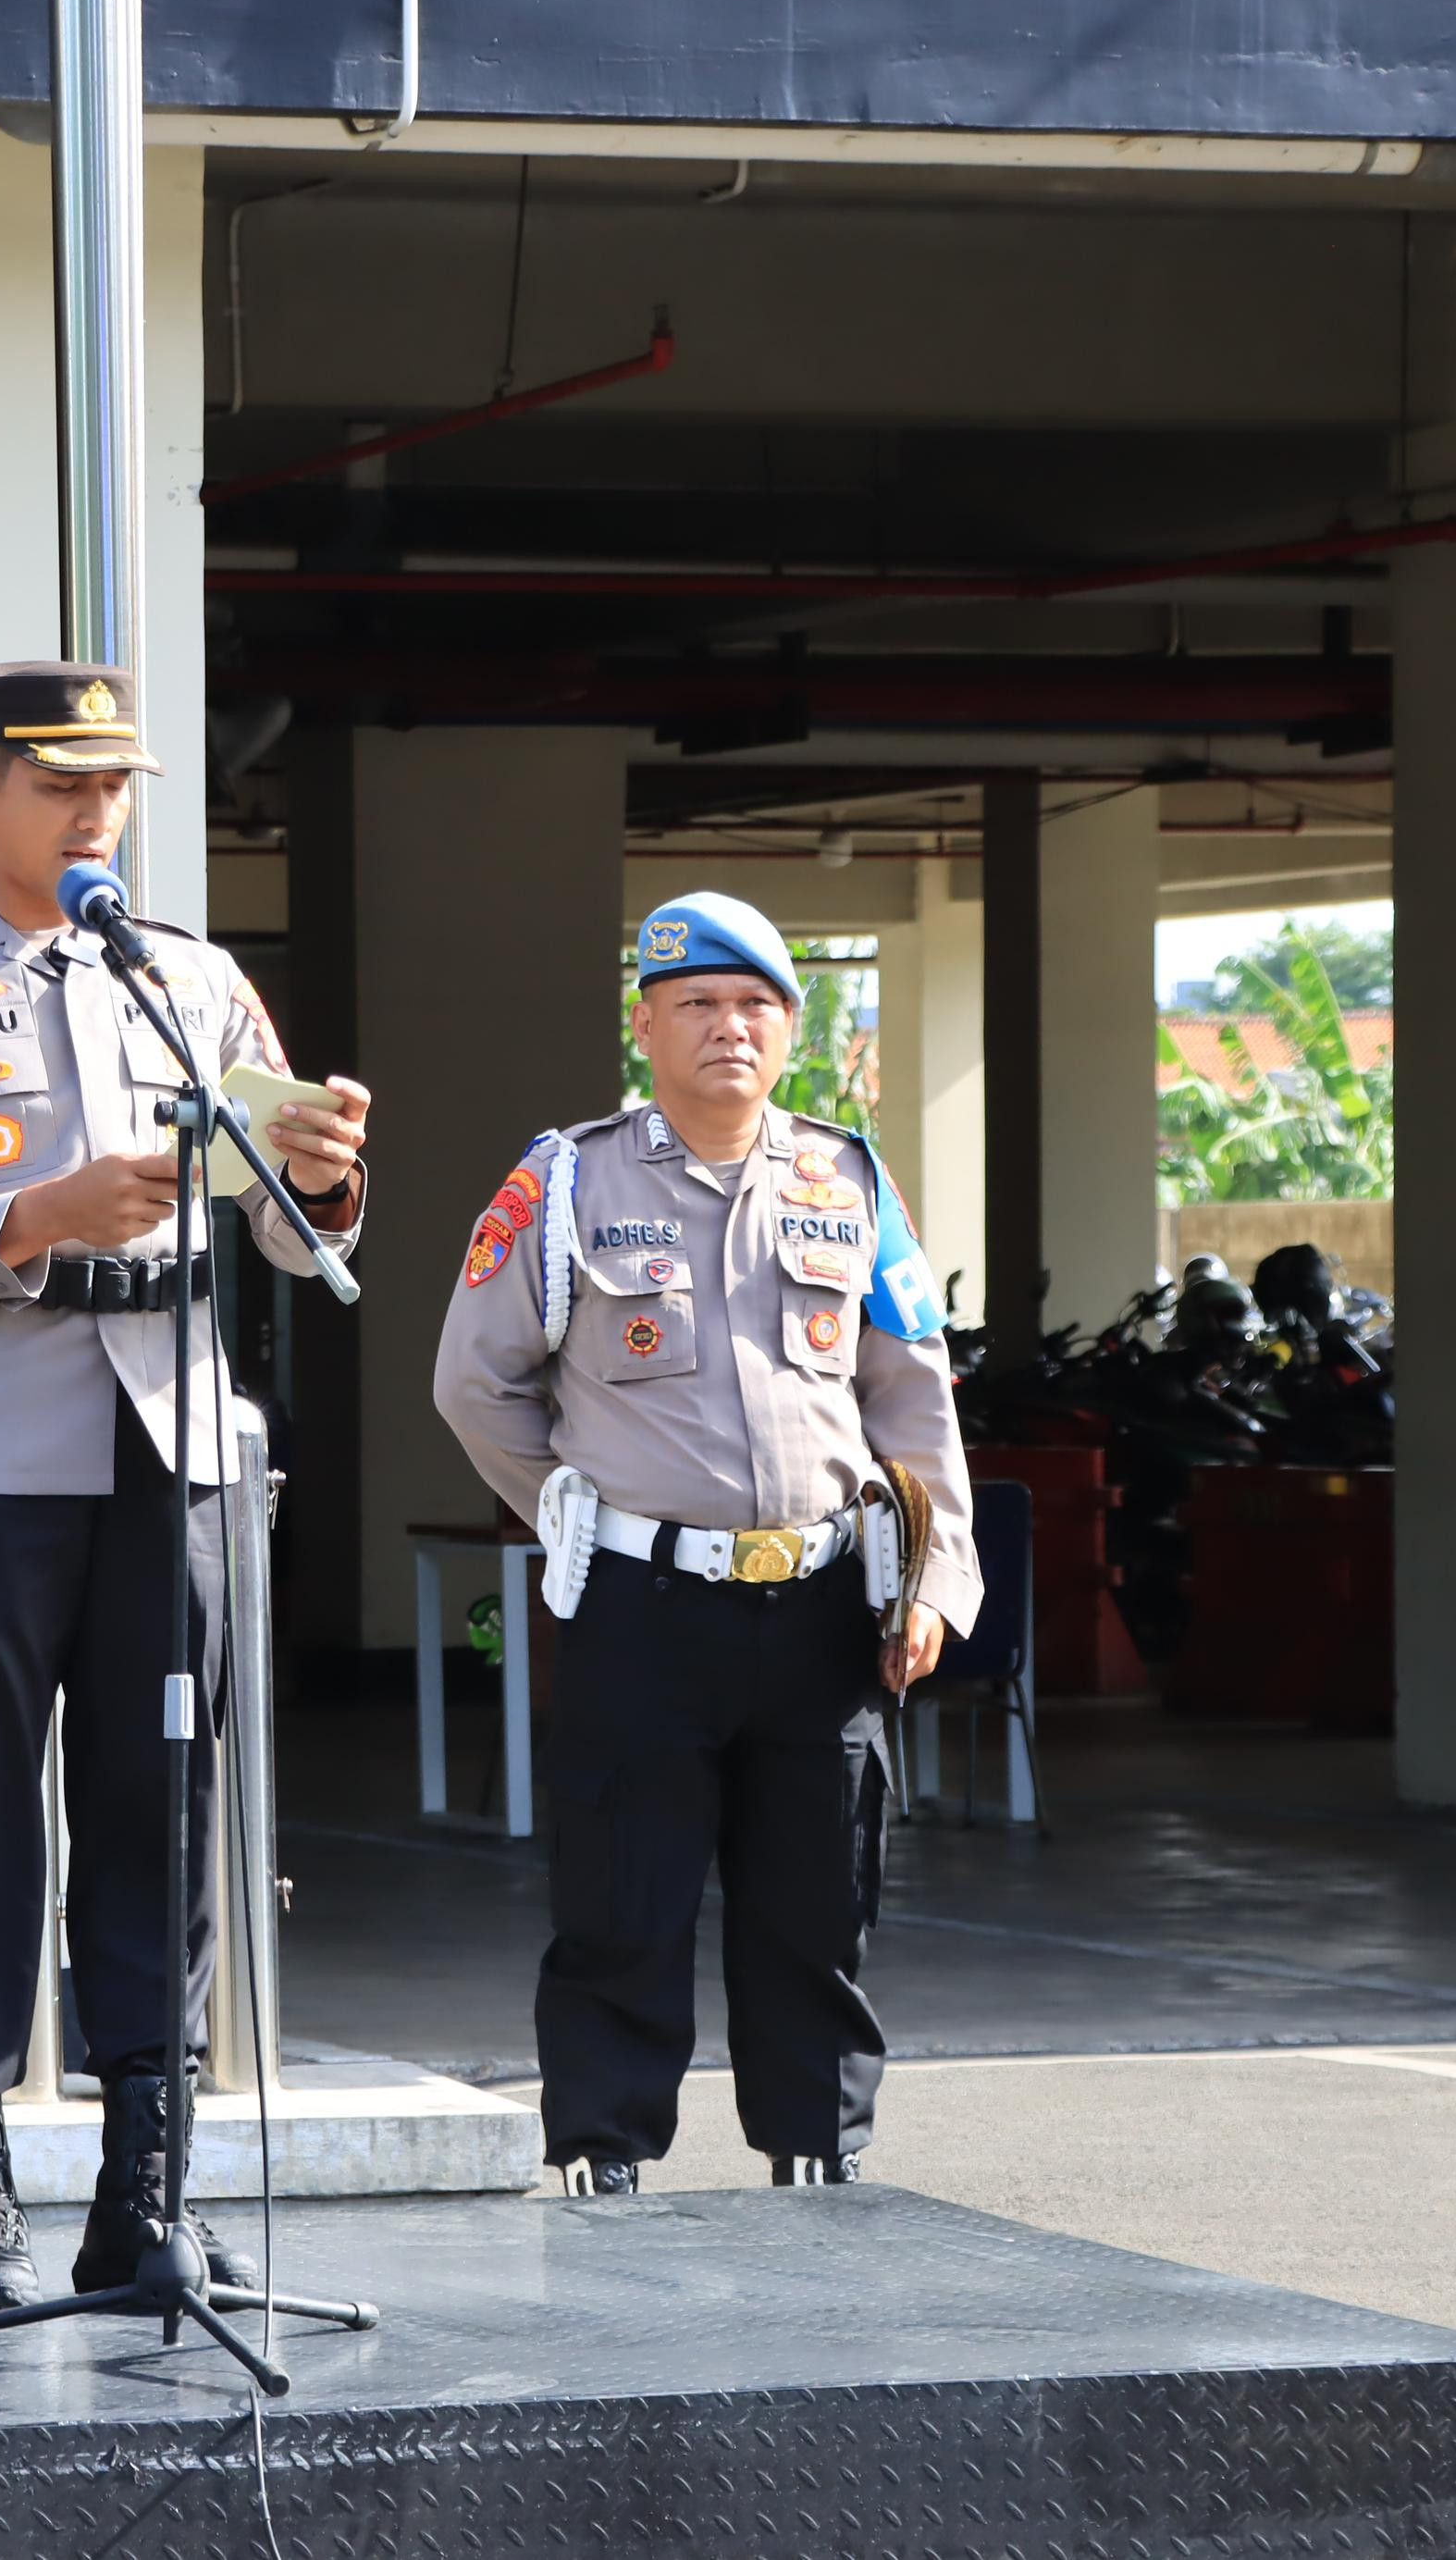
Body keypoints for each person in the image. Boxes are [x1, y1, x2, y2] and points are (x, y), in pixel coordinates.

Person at [0, 662, 373, 2319]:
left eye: (114, 784)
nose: (94, 811)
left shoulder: (186, 979)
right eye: (61, 783)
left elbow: (285, 1219)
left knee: (164, 1803)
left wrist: (323, 1174)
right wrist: (36, 1215)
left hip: (174, 1442)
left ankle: (147, 2195)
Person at [430, 891, 977, 2193]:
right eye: (697, 1004)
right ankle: (605, 2165)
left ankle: (816, 2159)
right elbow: (474, 1383)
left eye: (753, 1005)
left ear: (789, 1026)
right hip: (643, 1604)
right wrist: (578, 1504)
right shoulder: (567, 1180)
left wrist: (935, 1578)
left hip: (823, 1604)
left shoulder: (848, 1179)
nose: (728, 1027)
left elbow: (911, 1394)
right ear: (647, 1025)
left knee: (817, 1910)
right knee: (625, 1902)